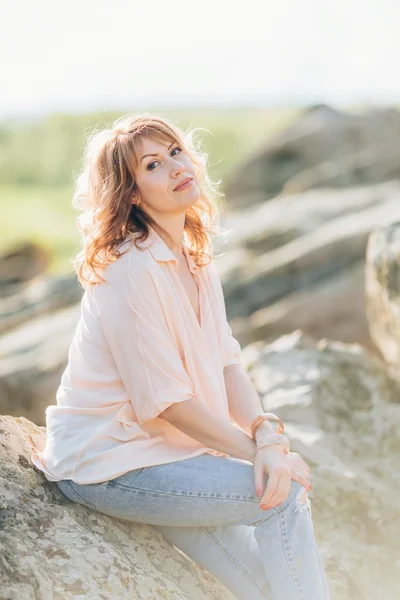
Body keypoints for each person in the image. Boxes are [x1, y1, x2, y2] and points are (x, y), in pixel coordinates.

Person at [29, 113, 330, 599]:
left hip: (171, 456)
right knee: (283, 494)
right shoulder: (129, 270)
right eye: (153, 164)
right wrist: (262, 459)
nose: (175, 167)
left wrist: (267, 435)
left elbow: (229, 363)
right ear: (130, 193)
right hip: (110, 465)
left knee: (267, 586)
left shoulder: (194, 258)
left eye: (175, 152)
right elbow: (166, 402)